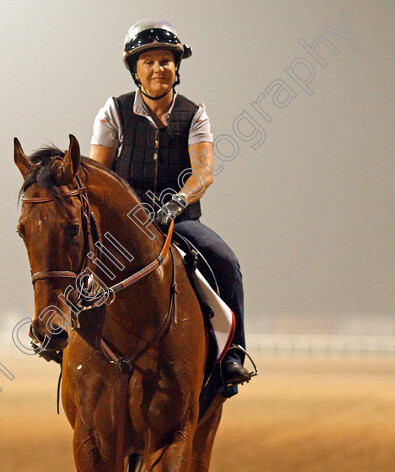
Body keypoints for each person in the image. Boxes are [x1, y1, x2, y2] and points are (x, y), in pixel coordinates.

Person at [90, 19, 251, 385]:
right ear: (136, 70)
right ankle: (59, 334)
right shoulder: (113, 112)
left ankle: (234, 353)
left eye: (166, 61)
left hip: (179, 219)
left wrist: (177, 202)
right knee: (79, 261)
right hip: (128, 223)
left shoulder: (195, 114)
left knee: (227, 262)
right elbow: (99, 174)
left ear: (176, 68)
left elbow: (203, 173)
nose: (159, 68)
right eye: (149, 62)